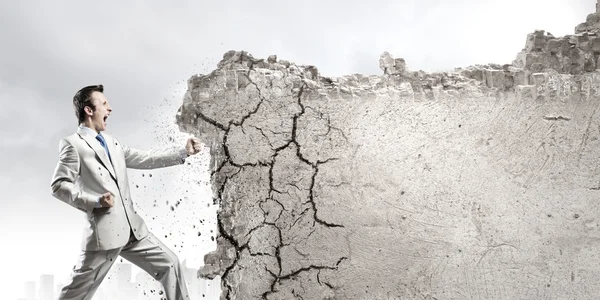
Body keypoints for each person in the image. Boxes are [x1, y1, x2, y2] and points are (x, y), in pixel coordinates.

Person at [50, 84, 203, 300]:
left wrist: (182, 152)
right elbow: (59, 186)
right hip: (104, 236)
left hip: (133, 231)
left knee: (171, 264)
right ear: (89, 110)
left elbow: (146, 158)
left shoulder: (113, 143)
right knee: (76, 294)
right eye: (104, 103)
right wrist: (95, 201)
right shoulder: (73, 145)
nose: (109, 108)